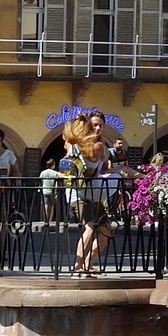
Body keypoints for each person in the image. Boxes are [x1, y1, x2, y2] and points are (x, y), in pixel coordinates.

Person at [61, 111, 122, 277]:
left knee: (106, 231)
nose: (97, 128)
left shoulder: (95, 145)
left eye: (100, 125)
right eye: (94, 125)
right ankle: (77, 268)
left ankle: (87, 264)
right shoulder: (90, 146)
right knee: (89, 227)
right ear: (88, 126)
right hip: (78, 192)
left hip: (93, 191)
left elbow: (102, 169)